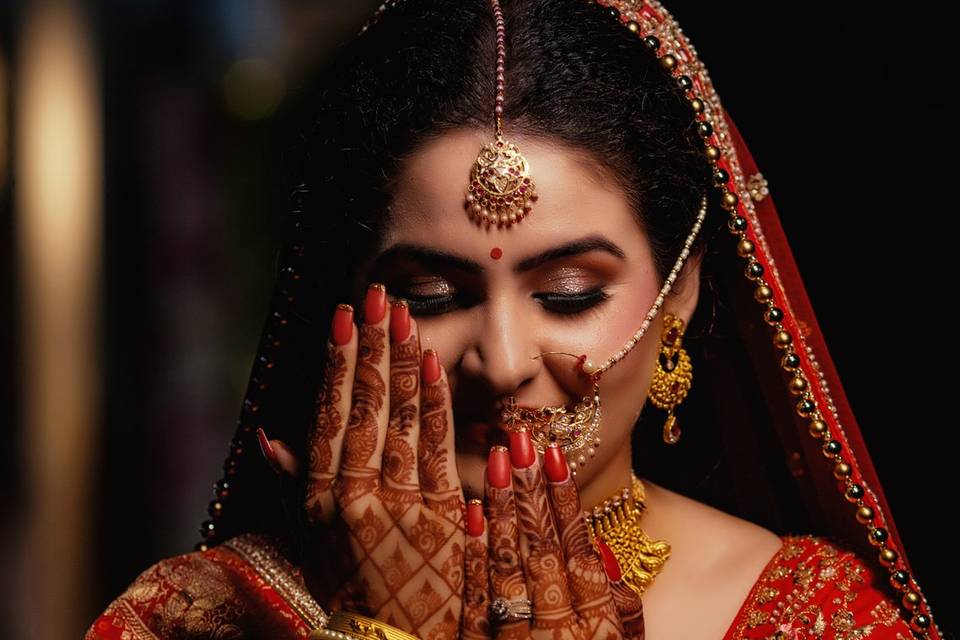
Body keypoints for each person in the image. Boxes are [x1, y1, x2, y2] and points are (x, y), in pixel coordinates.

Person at [85, 0, 945, 638]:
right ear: (344, 301)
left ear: (679, 290)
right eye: (431, 297)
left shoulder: (816, 617)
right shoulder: (198, 617)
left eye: (570, 294)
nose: (500, 363)